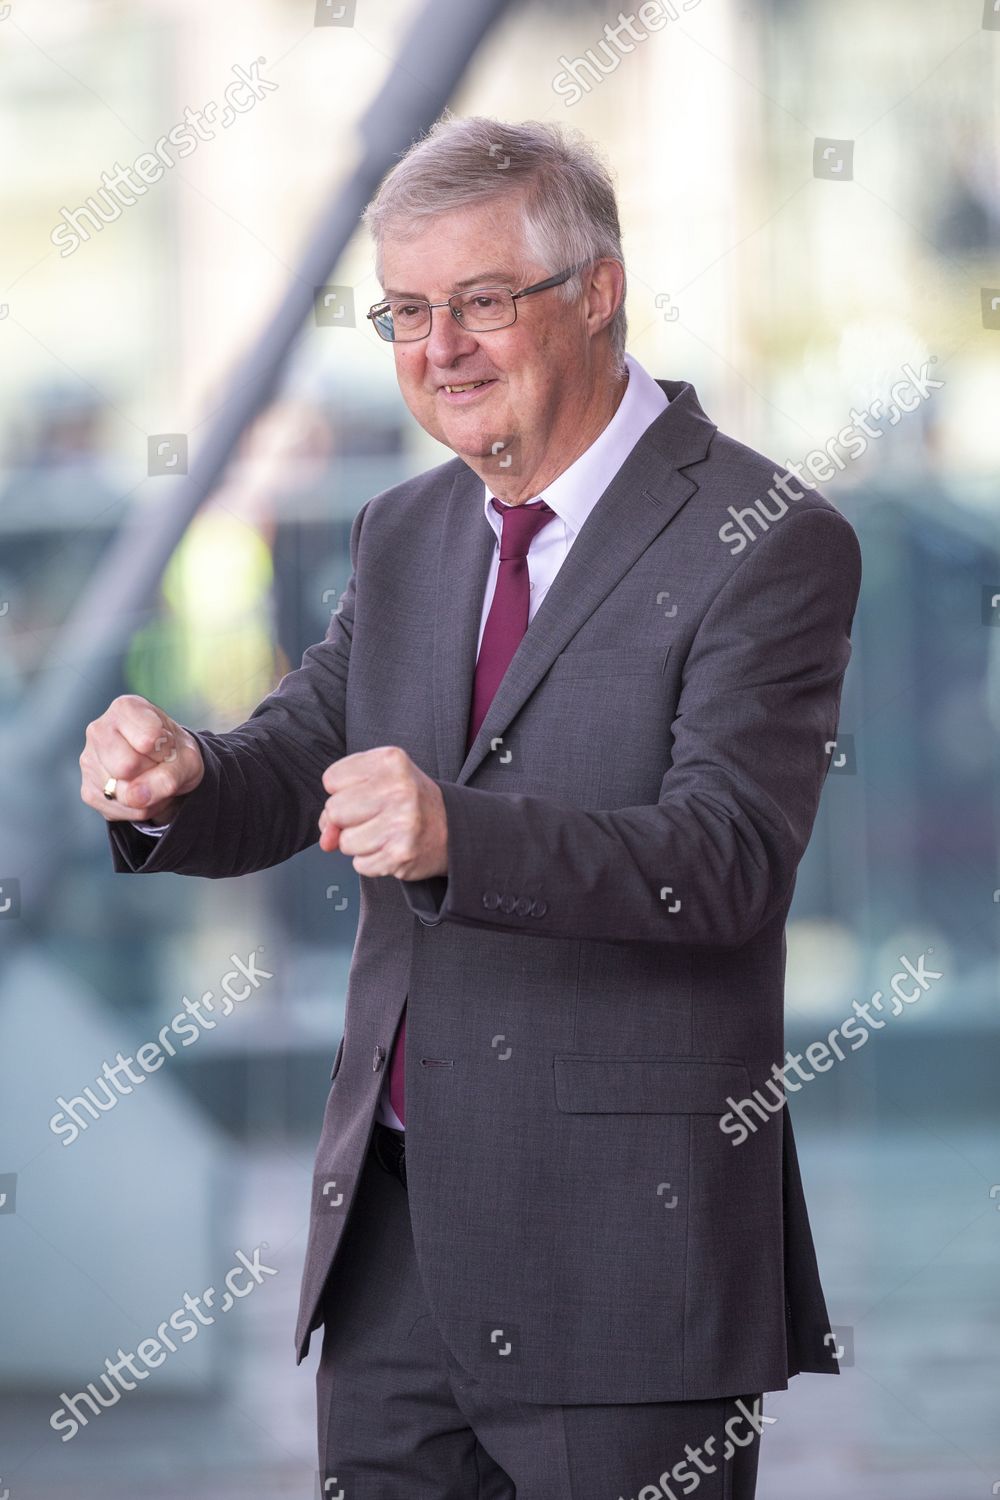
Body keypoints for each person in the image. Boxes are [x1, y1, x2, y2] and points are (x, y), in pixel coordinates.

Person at [80, 115, 862, 1500]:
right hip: (392, 1260)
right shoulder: (408, 532)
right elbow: (300, 761)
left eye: (484, 301)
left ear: (598, 293)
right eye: (408, 311)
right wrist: (180, 781)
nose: (439, 348)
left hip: (625, 1265)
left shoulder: (770, 537)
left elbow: (728, 859)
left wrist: (457, 836)